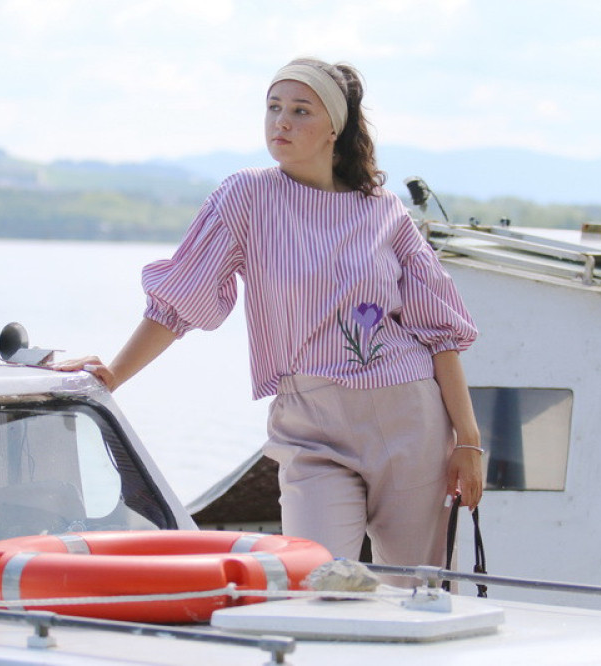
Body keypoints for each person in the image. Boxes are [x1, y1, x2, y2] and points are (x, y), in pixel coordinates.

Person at [50, 57, 483, 572]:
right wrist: (114, 375)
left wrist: (468, 441)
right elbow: (179, 298)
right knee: (315, 581)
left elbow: (440, 334)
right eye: (274, 107)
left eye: (301, 111)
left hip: (407, 417)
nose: (281, 122)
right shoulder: (246, 196)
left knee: (417, 590)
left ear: (334, 128)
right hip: (310, 426)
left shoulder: (384, 210)